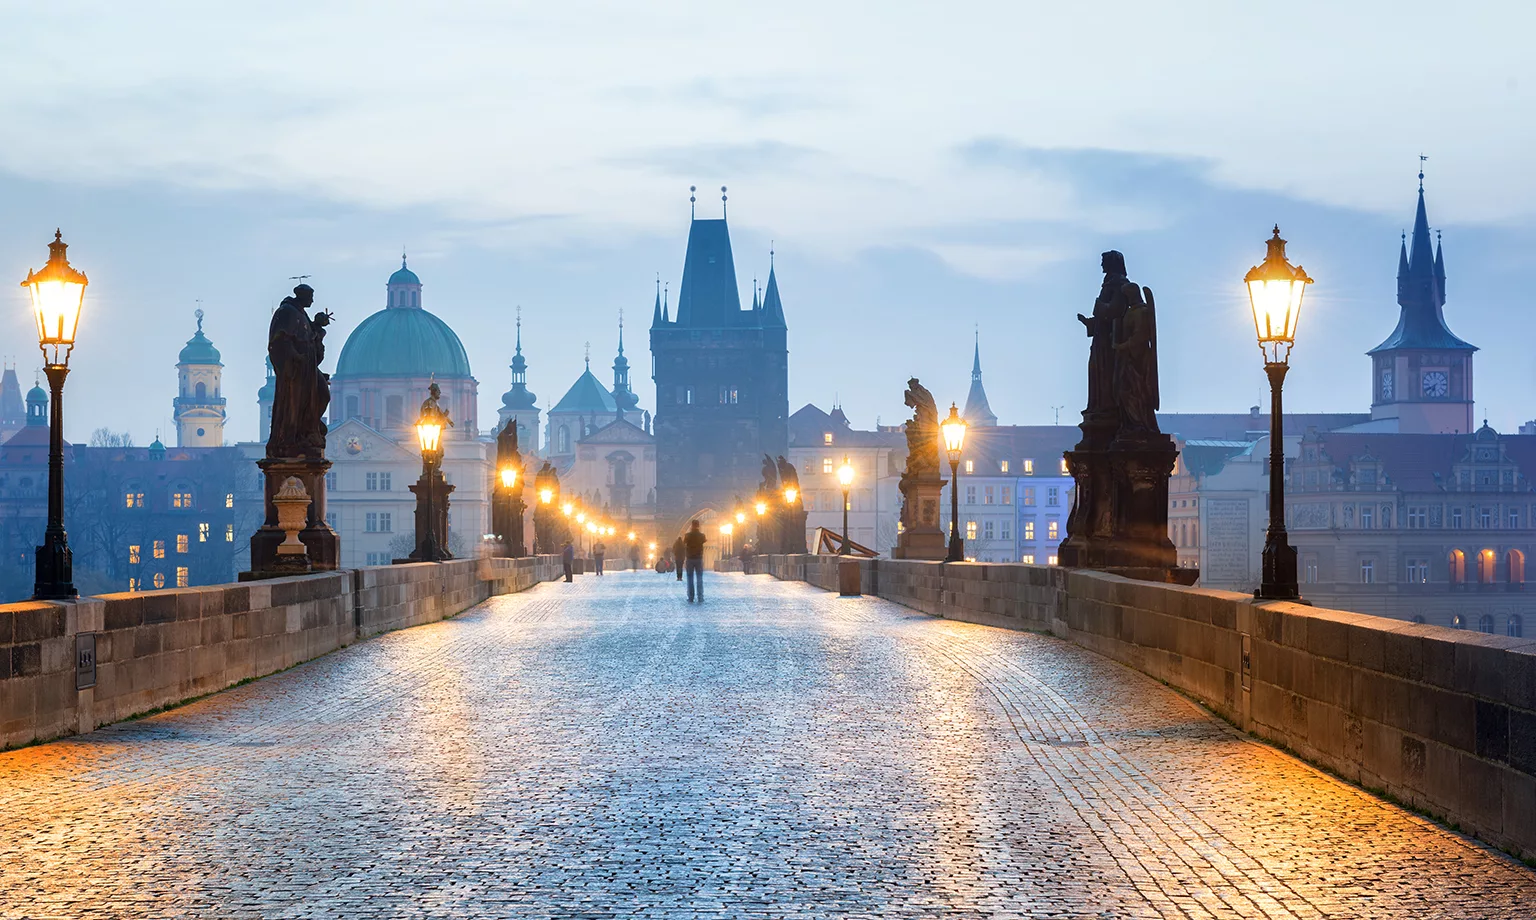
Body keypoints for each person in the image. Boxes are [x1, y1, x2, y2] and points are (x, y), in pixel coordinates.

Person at [683, 519, 707, 603]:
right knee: (699, 578)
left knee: (690, 578)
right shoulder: (702, 535)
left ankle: (691, 597)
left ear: (691, 526)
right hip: (698, 558)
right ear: (698, 526)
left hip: (690, 559)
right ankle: (700, 597)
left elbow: (684, 542)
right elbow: (704, 540)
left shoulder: (687, 535)